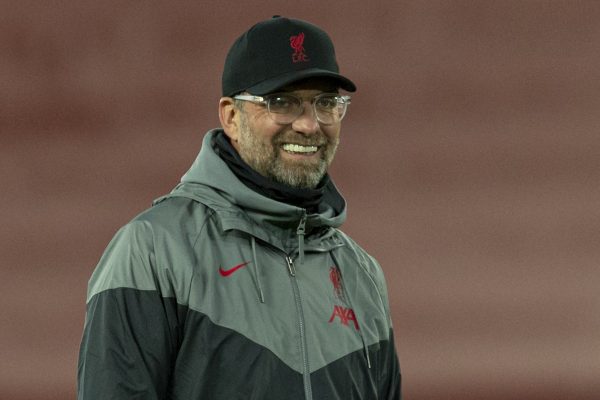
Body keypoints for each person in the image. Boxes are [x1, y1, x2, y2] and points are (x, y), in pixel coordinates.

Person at [77, 15, 401, 400]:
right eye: (282, 102)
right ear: (231, 116)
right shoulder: (154, 251)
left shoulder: (360, 276)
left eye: (326, 103)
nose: (309, 125)